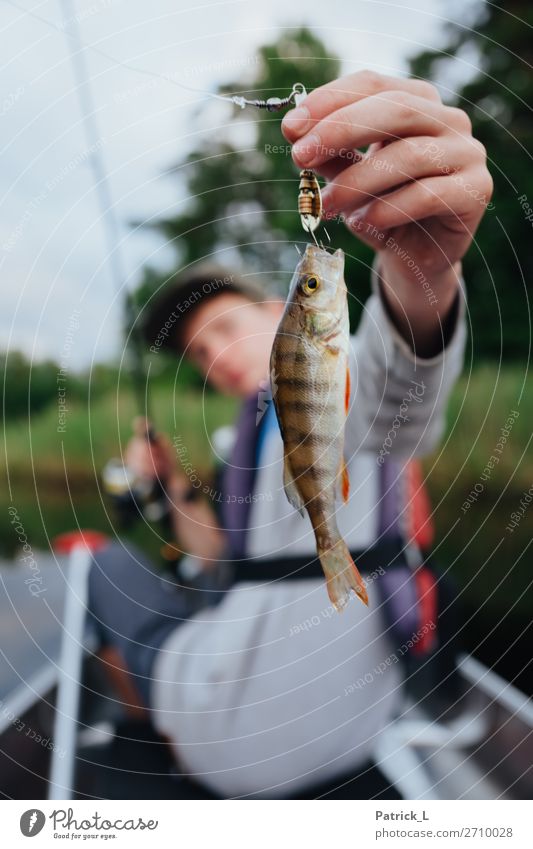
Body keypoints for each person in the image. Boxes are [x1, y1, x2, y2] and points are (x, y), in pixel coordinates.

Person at [88, 70, 492, 799]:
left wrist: (422, 271)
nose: (217, 357)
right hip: (321, 708)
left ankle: (150, 727)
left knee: (107, 571)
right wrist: (166, 486)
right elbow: (221, 550)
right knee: (164, 573)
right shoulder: (238, 436)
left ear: (282, 307)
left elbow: (394, 391)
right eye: (199, 356)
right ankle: (160, 720)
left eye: (223, 329)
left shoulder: (333, 381)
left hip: (263, 723)